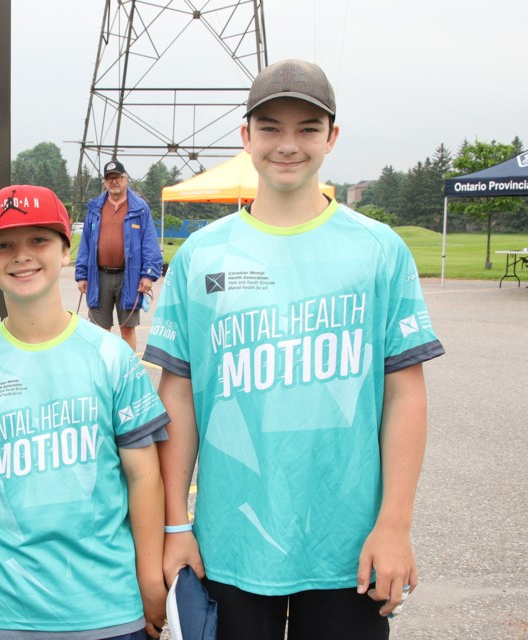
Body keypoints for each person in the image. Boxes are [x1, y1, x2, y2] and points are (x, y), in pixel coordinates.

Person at [143, 59, 446, 639]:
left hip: (349, 548)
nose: (288, 144)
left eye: (307, 128)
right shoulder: (203, 257)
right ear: (245, 137)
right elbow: (177, 396)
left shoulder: (377, 250)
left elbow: (405, 393)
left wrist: (395, 523)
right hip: (229, 547)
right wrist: (175, 526)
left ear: (332, 137)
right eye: (271, 128)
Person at [0, 185, 169, 640]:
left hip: (106, 608)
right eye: (2, 245)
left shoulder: (110, 355)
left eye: (39, 240)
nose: (21, 256)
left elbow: (144, 476)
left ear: (66, 251)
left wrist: (148, 580)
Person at [75, 159, 163, 352]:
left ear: (126, 179)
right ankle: (103, 371)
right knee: (100, 329)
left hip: (129, 277)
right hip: (99, 276)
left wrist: (148, 274)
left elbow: (150, 243)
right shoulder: (94, 209)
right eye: (109, 179)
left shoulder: (140, 208)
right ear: (105, 182)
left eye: (117, 178)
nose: (113, 182)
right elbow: (86, 244)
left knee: (127, 329)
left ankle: (129, 371)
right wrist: (81, 275)